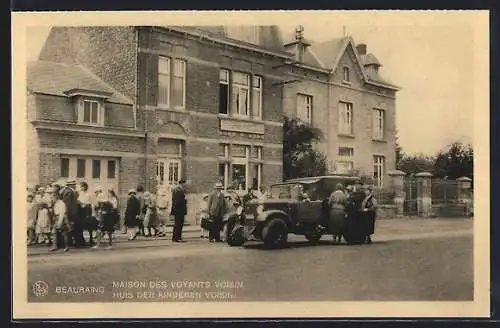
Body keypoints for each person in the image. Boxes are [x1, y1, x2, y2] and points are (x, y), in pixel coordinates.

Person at [60, 179, 83, 247]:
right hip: (71, 213)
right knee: (73, 227)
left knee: (74, 227)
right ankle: (74, 243)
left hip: (72, 212)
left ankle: (75, 242)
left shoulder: (70, 191)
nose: (75, 185)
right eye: (74, 184)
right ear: (70, 185)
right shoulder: (68, 192)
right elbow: (67, 204)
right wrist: (66, 213)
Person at [49, 186, 70, 252]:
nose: (51, 199)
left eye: (52, 198)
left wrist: (59, 223)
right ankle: (54, 246)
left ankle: (66, 246)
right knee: (54, 232)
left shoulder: (61, 203)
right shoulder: (56, 203)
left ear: (56, 197)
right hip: (57, 218)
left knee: (64, 233)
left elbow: (62, 214)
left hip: (61, 219)